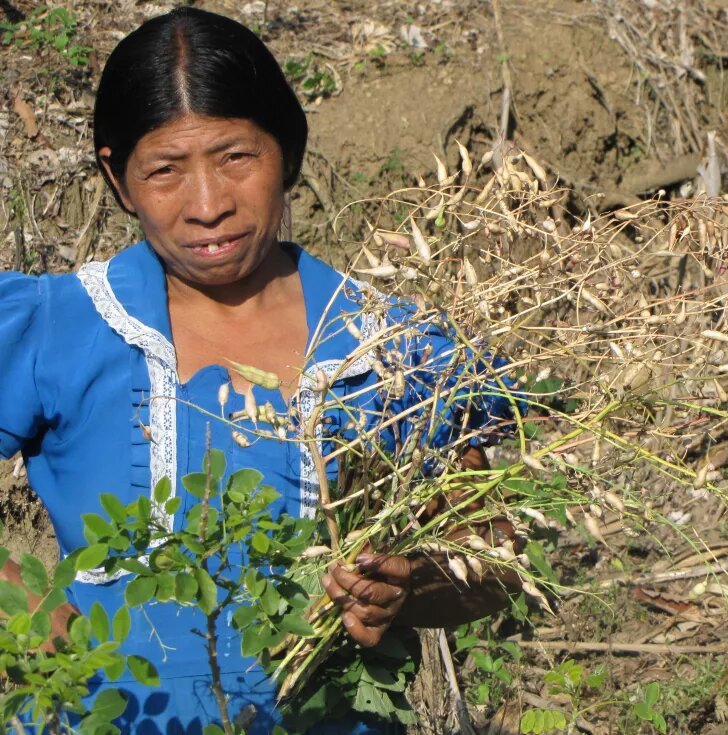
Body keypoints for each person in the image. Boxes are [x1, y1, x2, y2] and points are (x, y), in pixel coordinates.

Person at [0, 7, 521, 733]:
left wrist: (411, 587)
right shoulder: (58, 325)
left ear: (289, 152)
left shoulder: (390, 346)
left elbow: (493, 554)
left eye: (237, 158)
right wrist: (18, 596)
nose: (208, 205)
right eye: (164, 171)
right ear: (118, 180)